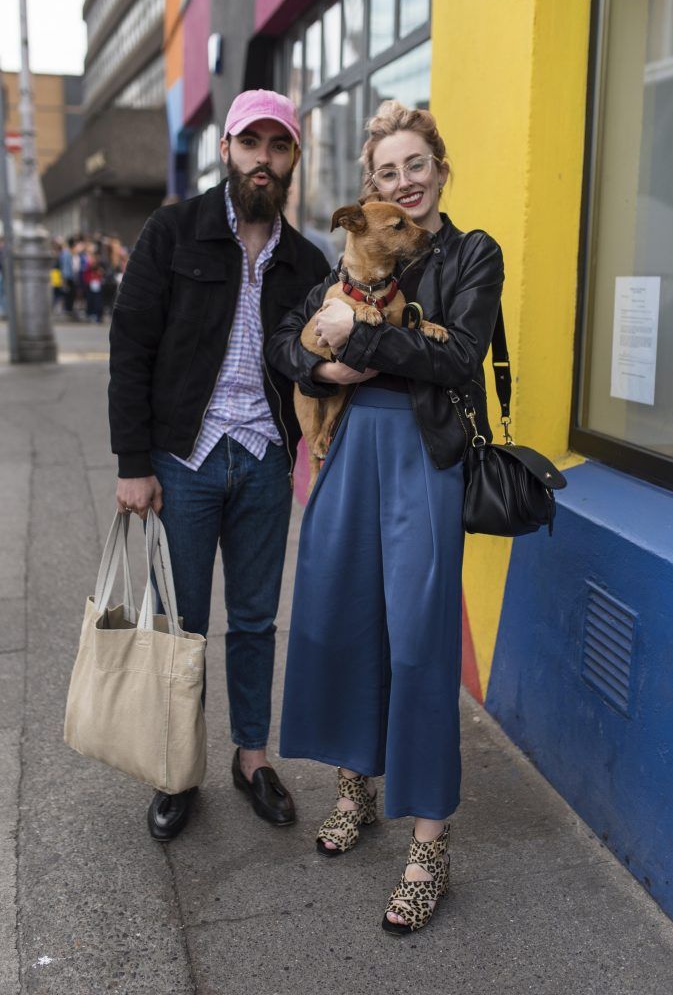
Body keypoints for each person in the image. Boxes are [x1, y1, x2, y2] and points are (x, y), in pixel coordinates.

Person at [266, 100, 505, 935]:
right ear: (372, 184)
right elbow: (289, 345)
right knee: (336, 625)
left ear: (440, 167)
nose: (403, 183)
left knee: (419, 644)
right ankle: (353, 790)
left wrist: (355, 338)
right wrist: (321, 363)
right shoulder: (352, 250)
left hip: (422, 460)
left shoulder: (472, 255)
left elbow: (456, 357)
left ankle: (429, 849)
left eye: (416, 165)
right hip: (344, 451)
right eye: (387, 171)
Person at [108, 90, 330, 842]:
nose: (262, 159)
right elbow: (131, 346)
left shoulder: (307, 261)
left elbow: (316, 362)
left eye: (278, 146)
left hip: (266, 461)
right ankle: (177, 768)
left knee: (256, 620)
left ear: (293, 158)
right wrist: (134, 462)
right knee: (180, 624)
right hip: (184, 462)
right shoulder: (173, 232)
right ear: (227, 149)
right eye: (250, 143)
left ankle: (251, 757)